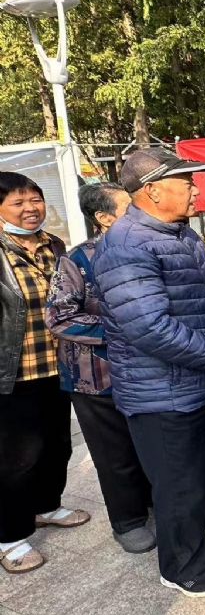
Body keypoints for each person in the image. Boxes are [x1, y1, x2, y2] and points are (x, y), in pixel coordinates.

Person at [92, 148, 205, 598]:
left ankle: (204, 518)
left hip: (198, 382)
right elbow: (149, 328)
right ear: (152, 190)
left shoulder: (182, 234)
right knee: (178, 485)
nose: (196, 190)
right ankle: (182, 568)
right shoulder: (126, 246)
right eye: (187, 182)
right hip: (163, 392)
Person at [45, 183, 155, 555]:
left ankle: (154, 503)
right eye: (129, 207)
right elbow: (60, 317)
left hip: (147, 372)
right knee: (115, 455)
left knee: (150, 447)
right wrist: (127, 329)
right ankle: (128, 521)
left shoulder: (146, 248)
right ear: (104, 218)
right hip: (96, 376)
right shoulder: (77, 259)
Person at [0, 173, 90, 575]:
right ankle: (10, 536)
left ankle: (46, 506)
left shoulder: (54, 244)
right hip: (12, 372)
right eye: (18, 203)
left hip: (57, 365)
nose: (30, 209)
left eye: (35, 199)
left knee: (57, 445)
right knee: (16, 458)